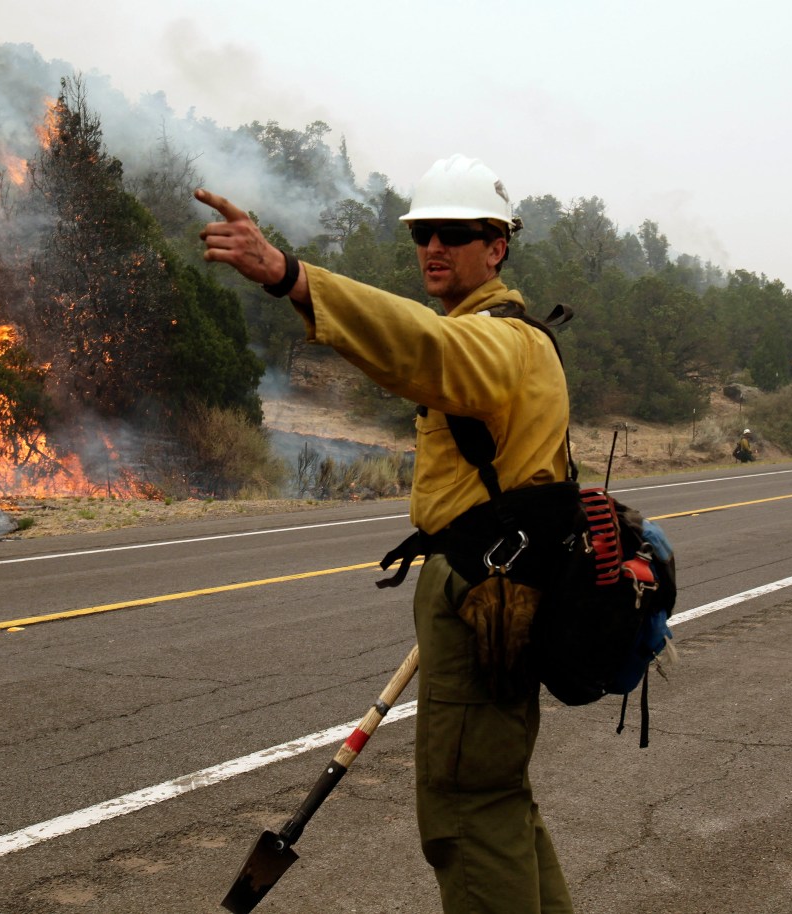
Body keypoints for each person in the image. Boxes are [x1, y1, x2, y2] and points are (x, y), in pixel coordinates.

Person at [198, 153, 574, 914]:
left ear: (497, 245)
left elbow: (421, 349)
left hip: (484, 594)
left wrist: (288, 276)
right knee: (498, 797)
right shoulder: (503, 336)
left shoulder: (500, 341)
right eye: (422, 234)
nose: (433, 247)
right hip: (487, 585)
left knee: (466, 810)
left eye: (455, 233)